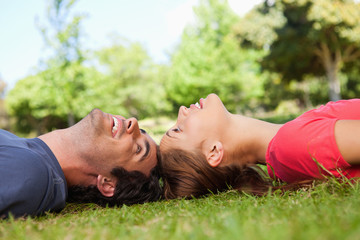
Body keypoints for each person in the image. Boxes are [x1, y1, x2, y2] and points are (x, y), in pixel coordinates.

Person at [159, 93, 360, 199]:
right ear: (213, 152)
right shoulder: (292, 145)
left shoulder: (282, 159)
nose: (182, 111)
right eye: (178, 130)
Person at [0, 108, 162, 218]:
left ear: (108, 183)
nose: (133, 122)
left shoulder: (29, 172)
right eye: (141, 132)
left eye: (138, 149)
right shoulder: (24, 152)